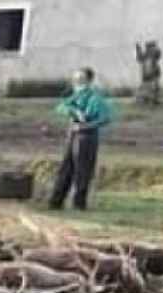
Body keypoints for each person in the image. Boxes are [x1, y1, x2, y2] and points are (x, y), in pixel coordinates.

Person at [50, 67, 114, 211]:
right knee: (66, 169)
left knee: (82, 171)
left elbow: (105, 118)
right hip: (72, 134)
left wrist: (85, 126)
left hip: (87, 137)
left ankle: (79, 204)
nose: (77, 81)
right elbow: (61, 107)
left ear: (89, 81)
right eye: (75, 78)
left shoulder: (95, 98)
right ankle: (56, 202)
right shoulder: (75, 95)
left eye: (81, 79)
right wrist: (75, 111)